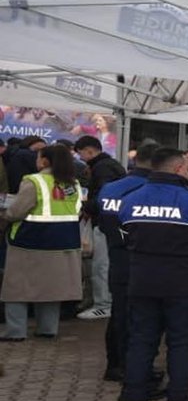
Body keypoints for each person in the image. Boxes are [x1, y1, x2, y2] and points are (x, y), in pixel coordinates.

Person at [114, 148, 188, 401]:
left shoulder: (130, 199)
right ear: (178, 168)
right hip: (185, 284)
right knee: (181, 343)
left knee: (141, 341)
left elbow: (125, 237)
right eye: (186, 167)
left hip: (142, 282)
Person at [1, 144, 84, 340]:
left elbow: (16, 211)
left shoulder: (34, 181)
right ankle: (48, 329)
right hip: (64, 242)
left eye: (38, 157)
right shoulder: (73, 184)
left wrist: (5, 213)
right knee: (51, 288)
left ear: (45, 161)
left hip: (30, 241)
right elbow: (77, 210)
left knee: (17, 288)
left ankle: (16, 331)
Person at [95, 141, 159, 383]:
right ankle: (133, 368)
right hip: (145, 261)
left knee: (119, 313)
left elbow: (103, 223)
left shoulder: (110, 188)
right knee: (142, 318)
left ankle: (116, 364)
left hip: (118, 258)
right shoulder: (152, 190)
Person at [73, 135, 123, 320]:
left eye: (81, 154)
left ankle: (103, 305)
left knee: (101, 265)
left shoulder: (102, 168)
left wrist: (87, 207)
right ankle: (102, 302)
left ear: (89, 150)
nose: (81, 158)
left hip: (105, 222)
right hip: (111, 222)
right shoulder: (110, 165)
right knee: (103, 264)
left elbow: (103, 196)